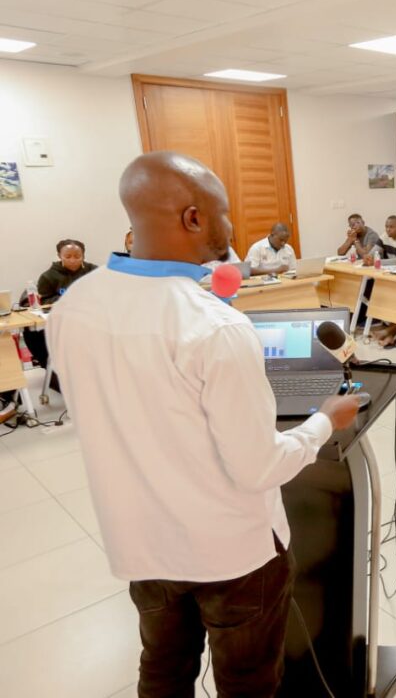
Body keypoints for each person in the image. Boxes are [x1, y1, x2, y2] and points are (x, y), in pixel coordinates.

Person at [46, 151, 363, 697]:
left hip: (140, 540)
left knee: (164, 671)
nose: (231, 227)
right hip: (230, 552)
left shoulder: (74, 305)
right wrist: (322, 421)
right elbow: (259, 466)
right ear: (193, 218)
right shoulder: (215, 327)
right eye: (224, 212)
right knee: (246, 681)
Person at [22, 239, 98, 371]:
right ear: (59, 256)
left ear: (83, 255)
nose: (73, 260)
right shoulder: (48, 276)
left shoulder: (94, 271)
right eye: (68, 256)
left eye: (77, 256)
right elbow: (45, 301)